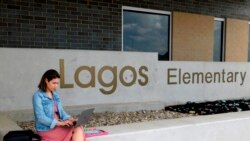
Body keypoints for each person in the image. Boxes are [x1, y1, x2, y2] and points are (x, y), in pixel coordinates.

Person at [32, 69, 86, 141]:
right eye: (54, 83)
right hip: (47, 129)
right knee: (77, 129)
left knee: (79, 126)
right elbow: (41, 118)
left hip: (58, 125)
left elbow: (61, 111)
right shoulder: (37, 96)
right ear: (46, 80)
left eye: (57, 83)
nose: (56, 86)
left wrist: (70, 119)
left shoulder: (54, 94)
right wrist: (61, 123)